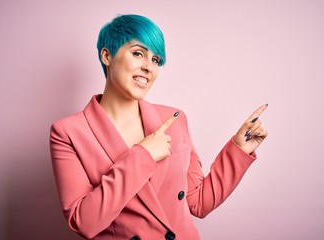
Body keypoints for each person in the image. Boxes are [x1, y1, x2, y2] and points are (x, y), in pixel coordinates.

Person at [49, 14, 268, 240]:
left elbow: (198, 202)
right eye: (138, 53)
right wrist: (143, 156)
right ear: (107, 56)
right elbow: (84, 222)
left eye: (155, 60)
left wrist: (238, 150)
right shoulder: (67, 133)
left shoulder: (174, 119)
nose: (148, 67)